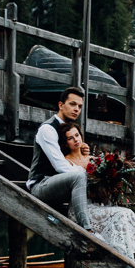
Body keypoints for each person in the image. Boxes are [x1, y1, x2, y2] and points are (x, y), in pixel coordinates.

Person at [57, 123, 135, 261]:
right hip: (81, 209)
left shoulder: (93, 159)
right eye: (70, 138)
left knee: (128, 213)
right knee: (120, 214)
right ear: (65, 143)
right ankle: (126, 257)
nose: (76, 140)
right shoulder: (65, 163)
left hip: (98, 206)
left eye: (77, 135)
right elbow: (72, 189)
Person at [28, 87, 90, 229]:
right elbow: (60, 166)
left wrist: (82, 150)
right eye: (72, 104)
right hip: (41, 184)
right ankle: (87, 230)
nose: (76, 109)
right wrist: (86, 173)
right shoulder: (48, 129)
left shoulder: (70, 129)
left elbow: (73, 156)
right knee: (80, 177)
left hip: (60, 184)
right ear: (61, 105)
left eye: (80, 106)